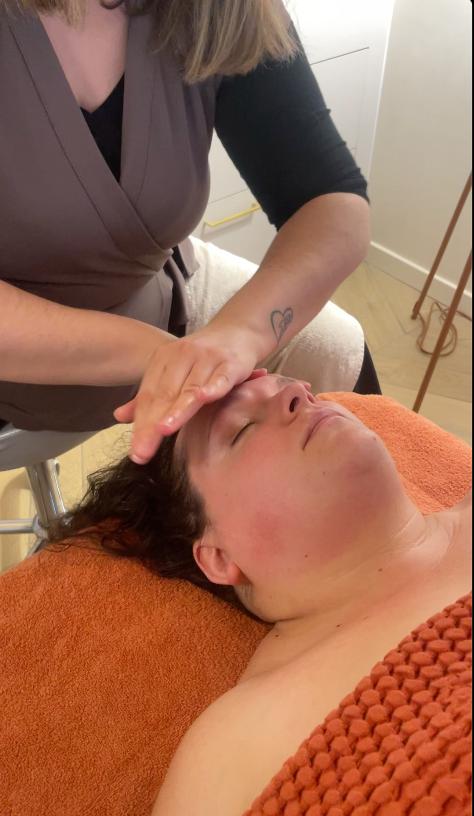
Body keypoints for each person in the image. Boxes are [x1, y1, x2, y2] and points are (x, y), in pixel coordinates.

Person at [51, 372, 472, 816]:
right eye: (242, 429)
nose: (297, 393)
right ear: (218, 556)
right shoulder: (237, 742)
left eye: (304, 390)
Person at [0, 0, 376, 467]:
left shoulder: (217, 10)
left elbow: (332, 202)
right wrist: (170, 357)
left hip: (157, 294)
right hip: (17, 369)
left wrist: (240, 335)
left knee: (341, 351)